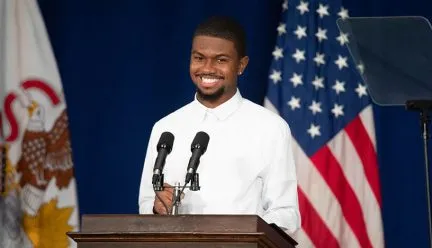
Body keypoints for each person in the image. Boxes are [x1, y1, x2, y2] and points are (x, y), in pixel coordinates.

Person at [138, 15, 301, 233]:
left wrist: (242, 235)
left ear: (241, 65)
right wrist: (157, 209)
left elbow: (285, 213)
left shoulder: (270, 127)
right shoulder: (166, 128)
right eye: (199, 58)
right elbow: (146, 203)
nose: (207, 68)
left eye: (221, 60)